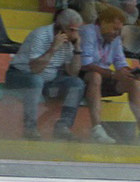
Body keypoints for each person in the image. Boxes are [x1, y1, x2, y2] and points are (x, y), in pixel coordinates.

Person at [78, 6, 140, 145]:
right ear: (103, 24)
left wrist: (130, 72)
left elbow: (120, 63)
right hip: (81, 77)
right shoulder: (88, 32)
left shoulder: (115, 38)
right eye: (114, 29)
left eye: (119, 30)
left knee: (132, 82)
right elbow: (85, 64)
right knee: (95, 76)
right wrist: (112, 74)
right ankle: (97, 129)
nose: (117, 33)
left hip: (105, 76)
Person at [5, 8, 86, 140]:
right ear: (60, 27)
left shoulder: (69, 42)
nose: (75, 34)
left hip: (48, 82)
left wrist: (77, 49)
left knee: (77, 83)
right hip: (20, 76)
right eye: (71, 30)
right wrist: (53, 48)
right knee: (36, 80)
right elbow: (35, 69)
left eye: (77, 30)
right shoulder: (40, 35)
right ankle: (30, 128)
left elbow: (73, 72)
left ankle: (63, 126)